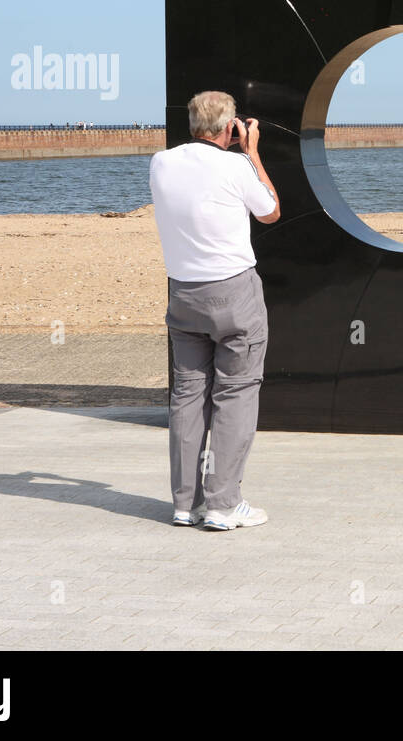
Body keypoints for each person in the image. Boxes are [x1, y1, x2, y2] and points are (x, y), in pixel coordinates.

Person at [149, 91, 281, 531]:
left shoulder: (161, 163)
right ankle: (223, 503)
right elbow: (270, 211)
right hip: (234, 294)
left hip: (183, 294)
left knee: (187, 397)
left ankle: (184, 503)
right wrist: (253, 154)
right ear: (230, 128)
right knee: (236, 392)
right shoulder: (236, 164)